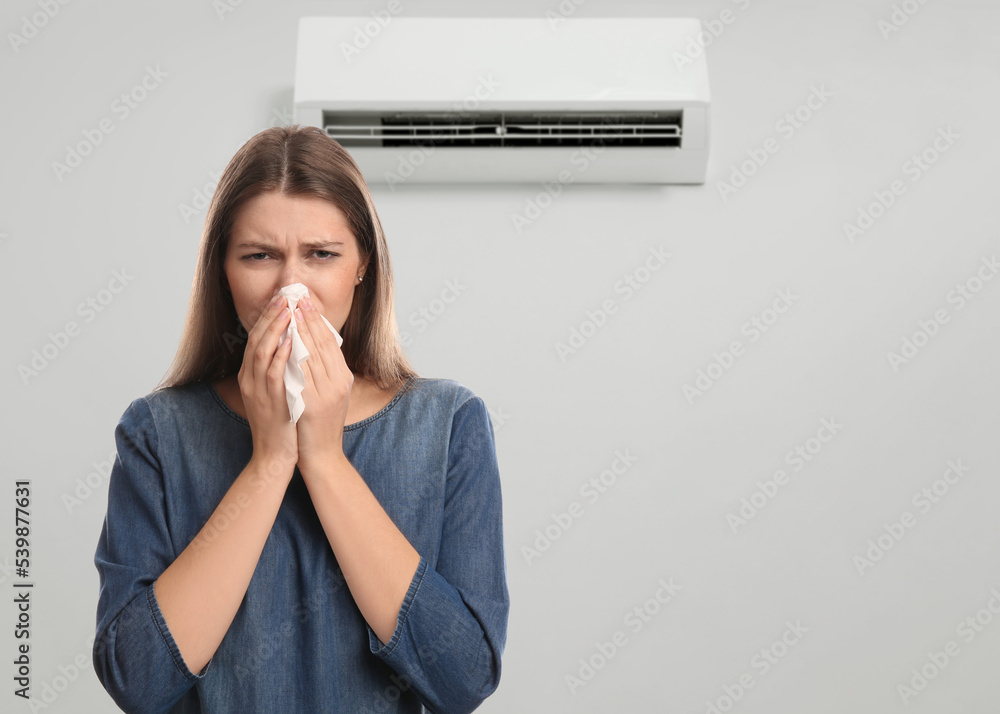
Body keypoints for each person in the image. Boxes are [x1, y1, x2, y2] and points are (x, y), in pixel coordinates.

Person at [92, 125, 509, 713]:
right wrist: (269, 462)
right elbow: (139, 681)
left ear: (362, 265)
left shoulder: (448, 425)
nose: (291, 289)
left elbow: (463, 678)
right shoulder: (157, 433)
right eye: (260, 256)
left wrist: (324, 459)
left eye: (321, 255)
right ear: (224, 271)